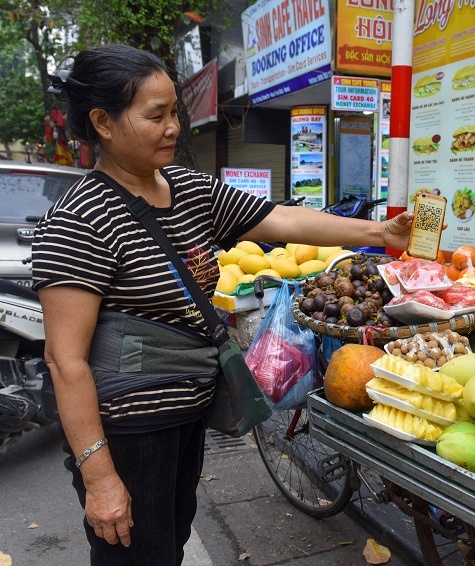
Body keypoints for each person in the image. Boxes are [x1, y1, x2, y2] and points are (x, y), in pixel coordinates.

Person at [31, 45, 415, 565]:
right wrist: (100, 478)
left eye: (175, 113)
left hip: (189, 417)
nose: (173, 128)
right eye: (155, 116)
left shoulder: (189, 190)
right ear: (103, 122)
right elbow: (65, 360)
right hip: (129, 433)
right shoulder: (80, 219)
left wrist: (379, 231)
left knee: (168, 546)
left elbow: (282, 220)